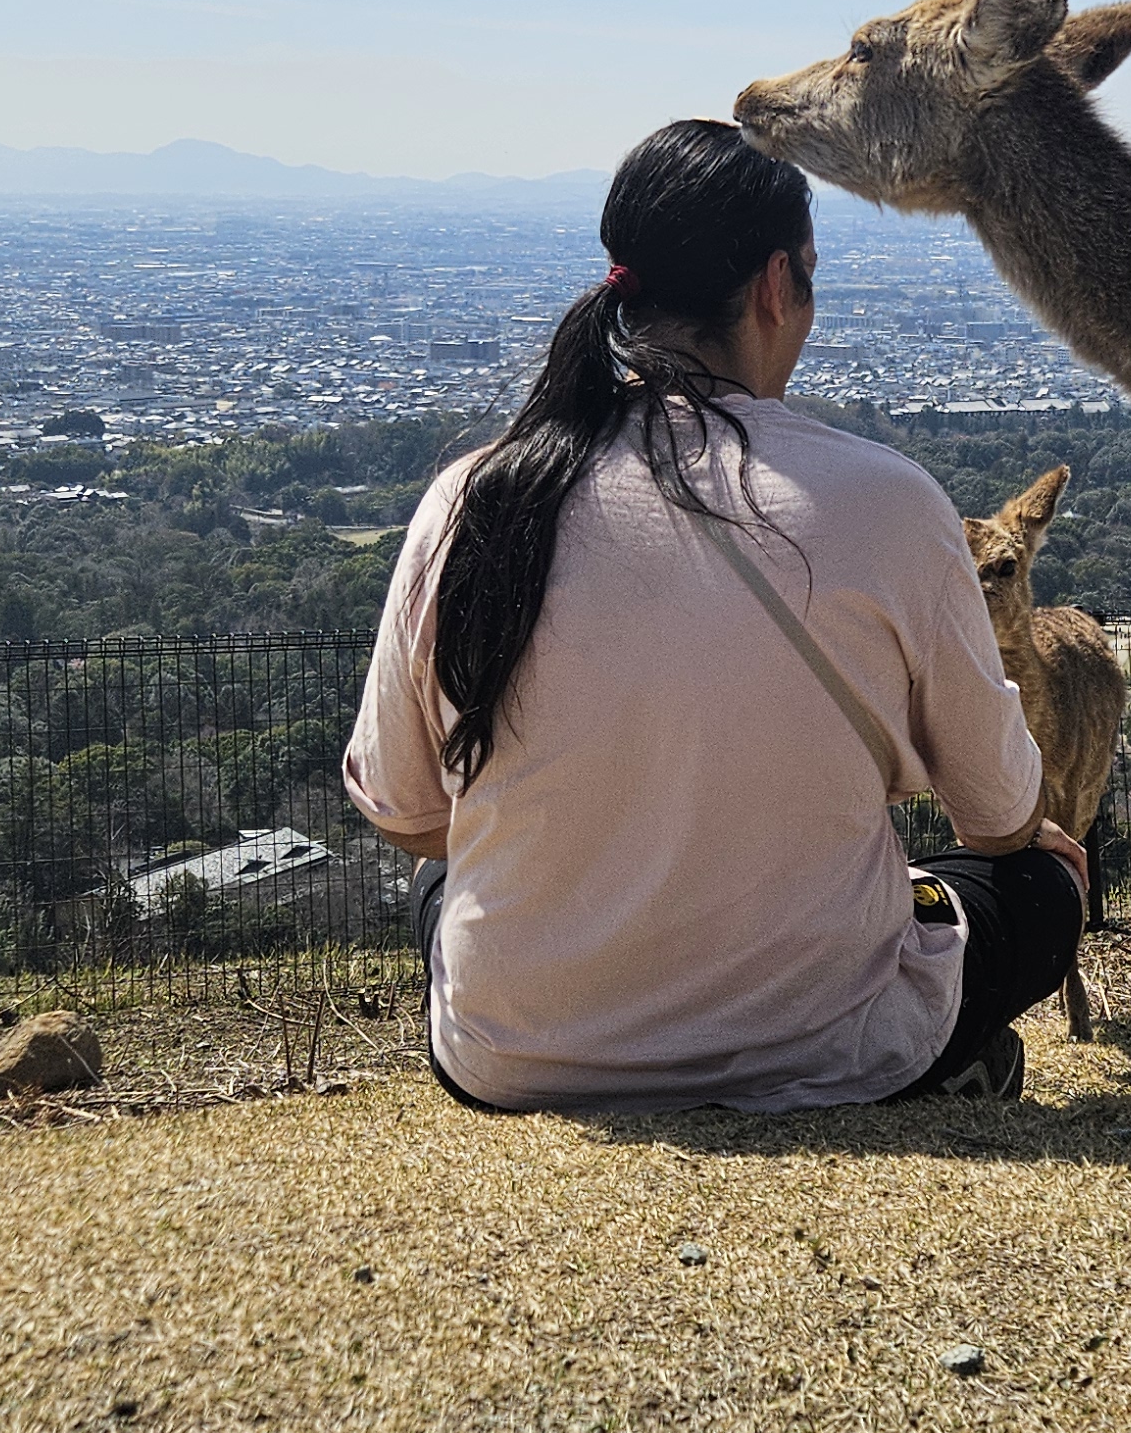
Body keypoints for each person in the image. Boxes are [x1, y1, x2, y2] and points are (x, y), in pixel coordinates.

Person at [343, 118, 1091, 1111]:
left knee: (443, 888)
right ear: (777, 285)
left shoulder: (476, 499)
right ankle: (936, 1057)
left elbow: (411, 820)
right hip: (820, 1033)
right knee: (1044, 884)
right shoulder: (888, 503)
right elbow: (1000, 825)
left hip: (512, 1052)